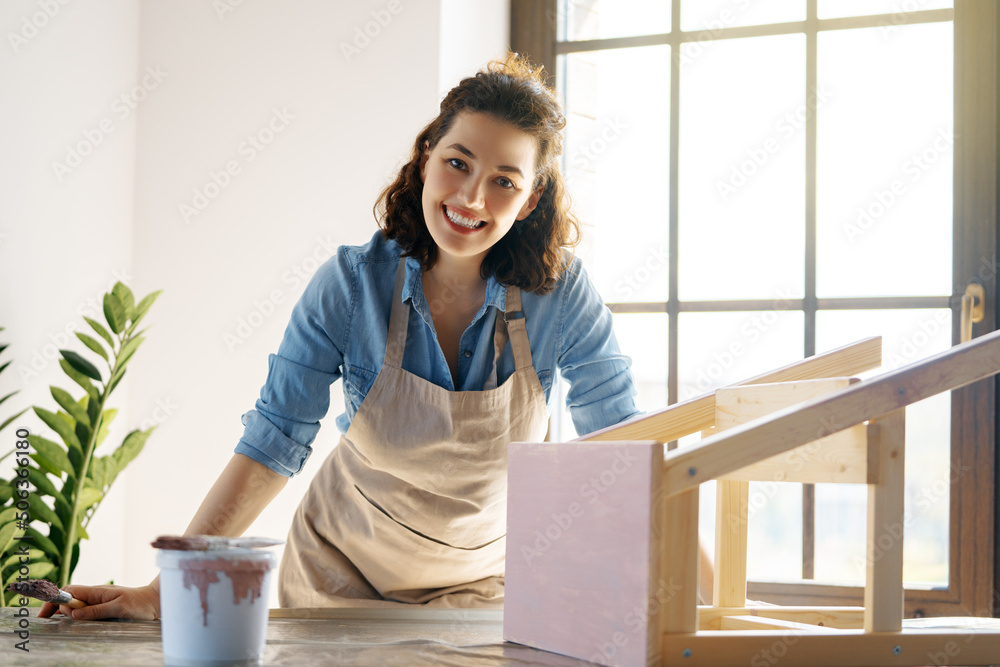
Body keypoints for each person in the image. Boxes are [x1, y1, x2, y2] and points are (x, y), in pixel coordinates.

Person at [39, 51, 641, 620]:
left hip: (480, 584)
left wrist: (668, 587)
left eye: (504, 181)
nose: (472, 197)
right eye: (458, 163)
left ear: (532, 199)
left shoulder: (559, 295)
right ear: (427, 155)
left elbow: (620, 442)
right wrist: (166, 587)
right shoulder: (352, 287)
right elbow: (274, 441)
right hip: (338, 577)